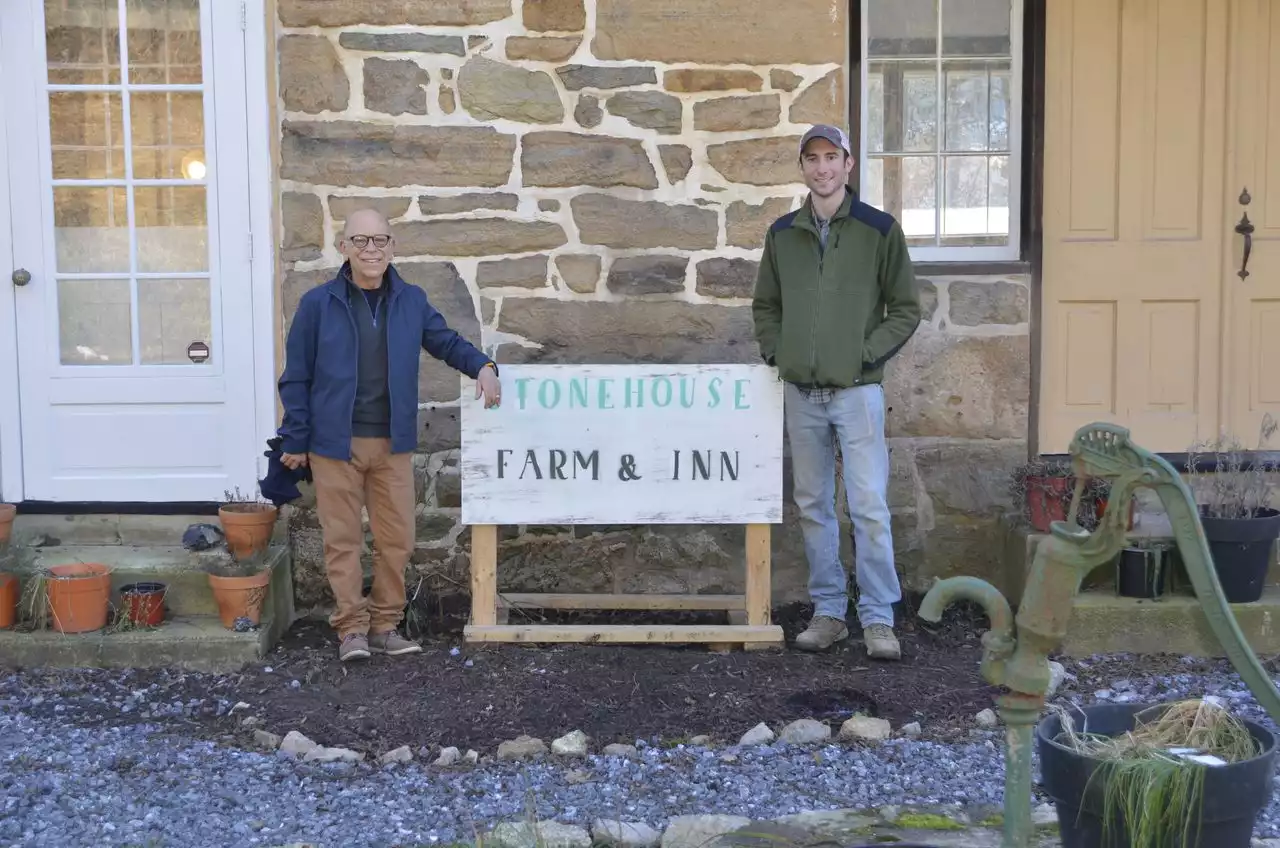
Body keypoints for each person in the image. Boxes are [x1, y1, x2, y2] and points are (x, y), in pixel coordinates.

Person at [277, 208, 501, 662]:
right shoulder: (318, 304)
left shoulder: (411, 301)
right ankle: (351, 630)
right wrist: (295, 438)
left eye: (380, 241)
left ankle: (384, 624)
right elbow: (296, 377)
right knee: (342, 540)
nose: (371, 250)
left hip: (393, 443)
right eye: (360, 241)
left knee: (397, 539)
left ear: (393, 246)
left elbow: (445, 341)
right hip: (333, 444)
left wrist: (483, 364)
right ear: (344, 248)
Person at [751, 124, 921, 658]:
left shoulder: (879, 230)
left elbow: (906, 309)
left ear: (849, 165)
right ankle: (829, 612)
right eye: (812, 159)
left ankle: (877, 618)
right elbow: (766, 307)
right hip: (802, 393)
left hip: (858, 392)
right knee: (814, 505)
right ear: (802, 168)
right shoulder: (783, 234)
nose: (822, 168)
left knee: (868, 506)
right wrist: (782, 354)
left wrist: (864, 354)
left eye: (832, 157)